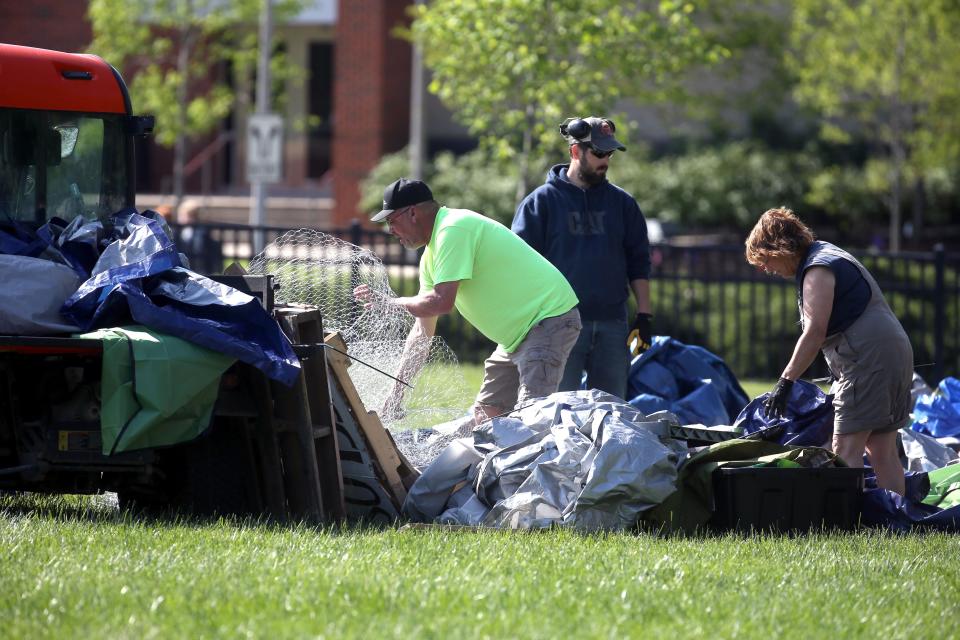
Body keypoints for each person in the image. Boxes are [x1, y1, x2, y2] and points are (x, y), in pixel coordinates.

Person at [354, 177, 582, 425]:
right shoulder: (431, 257)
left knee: (532, 422)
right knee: (485, 419)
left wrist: (391, 303)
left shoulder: (453, 229)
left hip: (546, 321)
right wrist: (395, 397)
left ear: (412, 213)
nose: (390, 231)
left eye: (391, 220)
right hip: (515, 337)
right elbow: (422, 333)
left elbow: (442, 302)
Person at [745, 207, 912, 495]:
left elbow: (814, 332)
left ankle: (847, 523)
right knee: (881, 450)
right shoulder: (828, 254)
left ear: (781, 247)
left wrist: (785, 382)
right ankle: (896, 517)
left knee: (846, 446)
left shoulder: (817, 268)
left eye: (766, 259)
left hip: (867, 359)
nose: (766, 268)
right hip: (893, 353)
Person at [512, 116, 651, 400]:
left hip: (613, 325)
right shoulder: (540, 203)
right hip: (557, 325)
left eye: (609, 154)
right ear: (576, 152)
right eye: (599, 153)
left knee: (613, 415)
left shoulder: (623, 204)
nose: (606, 161)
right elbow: (519, 266)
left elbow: (639, 260)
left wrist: (645, 316)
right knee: (557, 411)